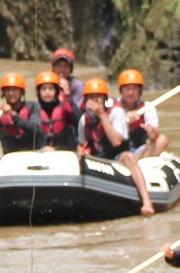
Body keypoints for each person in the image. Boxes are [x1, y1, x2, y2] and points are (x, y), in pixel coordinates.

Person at [77, 76, 155, 216]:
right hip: (98, 158)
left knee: (129, 157)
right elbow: (81, 144)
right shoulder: (84, 120)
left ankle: (147, 201)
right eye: (91, 98)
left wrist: (102, 115)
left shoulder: (116, 113)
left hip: (118, 155)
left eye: (98, 97)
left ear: (105, 98)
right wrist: (82, 152)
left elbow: (116, 142)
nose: (95, 101)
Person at [111, 69, 169, 158]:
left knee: (162, 140)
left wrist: (151, 132)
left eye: (134, 88)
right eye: (127, 88)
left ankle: (135, 161)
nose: (130, 92)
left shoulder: (147, 107)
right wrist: (124, 119)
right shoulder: (111, 105)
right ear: (121, 90)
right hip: (116, 150)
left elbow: (154, 136)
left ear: (139, 90)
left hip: (138, 150)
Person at [0, 72, 39, 153]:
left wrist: (13, 115)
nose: (11, 93)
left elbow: (36, 129)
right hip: (10, 157)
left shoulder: (33, 107)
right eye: (8, 90)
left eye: (15, 90)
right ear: (3, 93)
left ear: (21, 92)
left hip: (32, 155)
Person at [32, 70, 77, 151]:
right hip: (41, 152)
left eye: (51, 89)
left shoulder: (64, 107)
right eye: (43, 89)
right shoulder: (33, 108)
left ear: (56, 91)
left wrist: (68, 95)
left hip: (63, 151)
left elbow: (78, 119)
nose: (47, 92)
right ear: (38, 92)